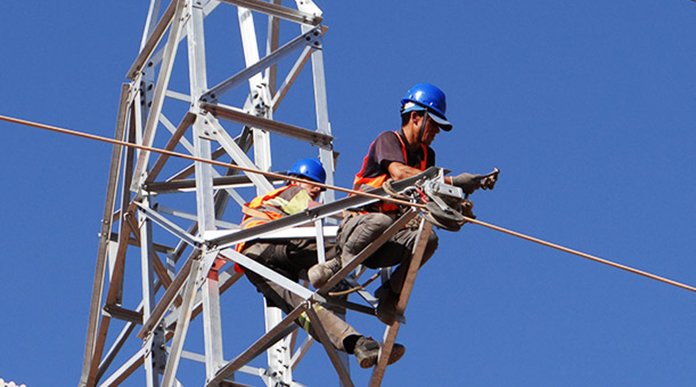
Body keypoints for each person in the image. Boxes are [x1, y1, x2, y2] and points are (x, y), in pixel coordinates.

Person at [308, 83, 488, 325]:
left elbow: (427, 196)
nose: (436, 132)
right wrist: (452, 181)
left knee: (429, 239)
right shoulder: (388, 140)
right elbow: (400, 174)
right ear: (415, 117)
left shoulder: (427, 156)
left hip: (385, 240)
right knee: (381, 220)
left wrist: (457, 202)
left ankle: (390, 294)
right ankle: (339, 263)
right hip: (359, 230)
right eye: (433, 124)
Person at [234, 158, 405, 368]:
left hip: (255, 264)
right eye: (312, 183)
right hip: (272, 246)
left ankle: (357, 344)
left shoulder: (277, 202)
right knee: (344, 248)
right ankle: (377, 255)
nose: (316, 189)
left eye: (320, 186)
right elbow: (314, 209)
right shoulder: (290, 192)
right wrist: (354, 216)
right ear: (295, 179)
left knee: (305, 311)